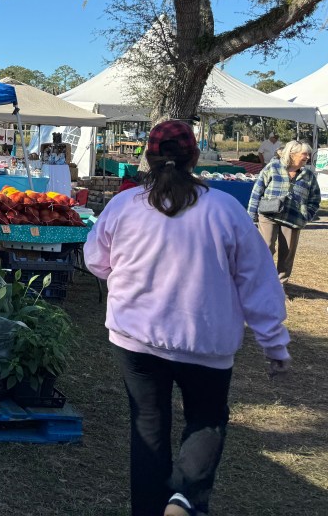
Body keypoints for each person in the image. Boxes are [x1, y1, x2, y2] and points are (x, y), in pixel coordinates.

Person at [85, 120, 290, 516]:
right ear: (194, 157)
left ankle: (151, 508)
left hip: (136, 337)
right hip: (205, 342)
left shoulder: (125, 206)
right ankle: (184, 497)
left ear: (148, 156)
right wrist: (274, 344)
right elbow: (258, 281)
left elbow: (96, 260)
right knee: (206, 419)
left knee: (148, 425)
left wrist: (129, 278)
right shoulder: (225, 210)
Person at [248, 140, 321, 284]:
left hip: (293, 218)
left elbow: (315, 199)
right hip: (269, 215)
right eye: (304, 154)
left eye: (308, 154)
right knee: (266, 247)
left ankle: (281, 285)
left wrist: (306, 215)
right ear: (292, 154)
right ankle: (262, 282)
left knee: (287, 253)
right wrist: (251, 216)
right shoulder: (273, 167)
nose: (307, 157)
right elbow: (257, 191)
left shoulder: (308, 175)